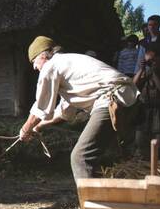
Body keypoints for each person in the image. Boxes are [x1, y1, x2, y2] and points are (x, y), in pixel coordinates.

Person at [19, 36, 139, 181]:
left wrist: (25, 129)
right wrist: (38, 126)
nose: (34, 67)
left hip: (111, 100)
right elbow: (64, 112)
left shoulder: (51, 66)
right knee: (119, 154)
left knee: (80, 157)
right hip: (128, 98)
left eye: (34, 61)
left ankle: (90, 202)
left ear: (43, 55)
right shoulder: (67, 66)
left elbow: (41, 106)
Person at [133, 42, 160, 160]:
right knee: (140, 139)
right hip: (144, 110)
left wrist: (153, 72)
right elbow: (133, 85)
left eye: (152, 60)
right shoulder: (144, 72)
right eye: (148, 60)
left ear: (158, 59)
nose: (151, 63)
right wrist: (142, 69)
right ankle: (143, 161)